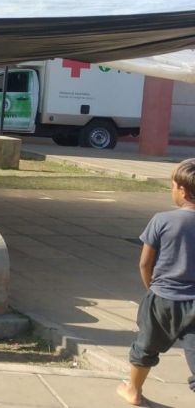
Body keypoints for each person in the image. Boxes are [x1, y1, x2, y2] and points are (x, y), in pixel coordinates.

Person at [116, 158, 195, 405]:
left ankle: (134, 391)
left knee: (145, 347)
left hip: (161, 299)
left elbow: (144, 263)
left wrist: (151, 287)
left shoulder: (162, 220)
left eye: (172, 186)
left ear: (182, 190)